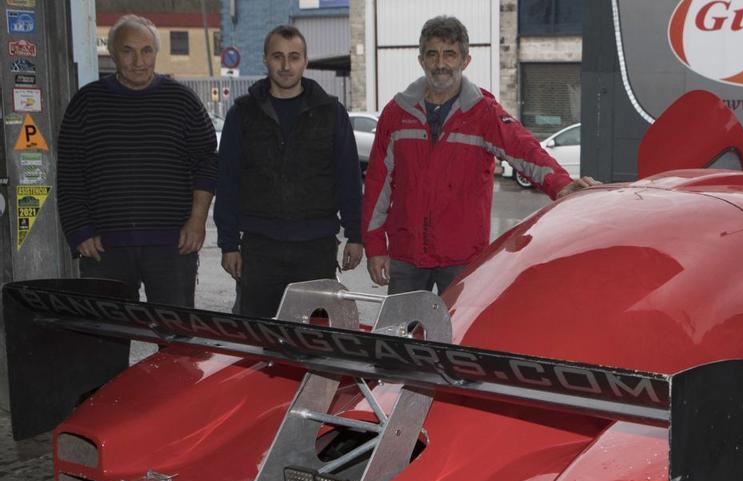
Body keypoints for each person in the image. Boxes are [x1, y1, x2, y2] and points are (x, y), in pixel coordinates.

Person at [362, 15, 598, 295]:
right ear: (421, 60)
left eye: (450, 54)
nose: (440, 64)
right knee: (400, 335)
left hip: (462, 259)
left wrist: (560, 184)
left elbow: (524, 149)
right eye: (432, 54)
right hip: (406, 258)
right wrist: (375, 246)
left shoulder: (482, 113)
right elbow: (377, 183)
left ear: (465, 61)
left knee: (457, 335)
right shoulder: (396, 113)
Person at [56, 15, 216, 307]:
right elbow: (70, 171)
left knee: (175, 340)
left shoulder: (183, 102)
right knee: (105, 342)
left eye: (147, 51)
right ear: (113, 53)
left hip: (172, 246)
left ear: (156, 53)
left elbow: (207, 162)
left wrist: (197, 221)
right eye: (128, 51)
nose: (139, 61)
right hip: (104, 248)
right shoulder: (86, 103)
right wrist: (79, 229)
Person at [214, 25, 364, 317]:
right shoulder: (242, 114)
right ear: (265, 59)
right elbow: (228, 181)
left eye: (294, 57)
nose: (286, 66)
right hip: (259, 250)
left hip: (316, 250)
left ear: (305, 61)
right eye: (277, 56)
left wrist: (355, 235)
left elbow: (348, 178)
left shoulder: (331, 113)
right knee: (257, 339)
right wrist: (228, 244)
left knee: (315, 340)